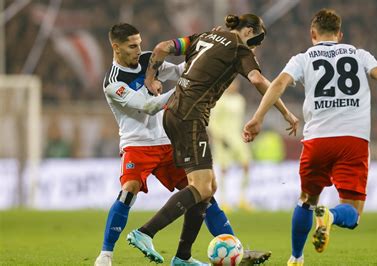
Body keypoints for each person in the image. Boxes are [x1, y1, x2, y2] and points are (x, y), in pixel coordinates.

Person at [242, 9, 377, 266]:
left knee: (306, 200)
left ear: (312, 34)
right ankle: (329, 216)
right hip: (353, 140)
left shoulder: (303, 58)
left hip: (317, 140)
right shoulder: (359, 55)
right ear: (340, 34)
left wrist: (258, 117)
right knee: (352, 214)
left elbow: (279, 84)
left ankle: (296, 257)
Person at [126, 14, 298, 265]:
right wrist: (285, 112)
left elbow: (163, 47)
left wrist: (151, 78)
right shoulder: (239, 48)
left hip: (174, 113)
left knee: (208, 188)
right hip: (190, 117)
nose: (257, 46)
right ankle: (145, 232)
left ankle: (183, 257)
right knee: (202, 187)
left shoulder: (202, 36)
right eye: (258, 40)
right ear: (249, 30)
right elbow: (259, 80)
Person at [94, 23, 267, 266]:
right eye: (132, 46)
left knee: (203, 192)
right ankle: (106, 255)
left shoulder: (147, 61)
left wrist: (209, 52)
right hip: (138, 144)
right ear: (116, 47)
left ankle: (226, 250)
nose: (139, 49)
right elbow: (148, 106)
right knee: (129, 189)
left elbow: (179, 71)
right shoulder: (113, 82)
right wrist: (186, 92)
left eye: (140, 43)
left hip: (168, 140)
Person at [208, 78, 253, 210]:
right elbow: (212, 122)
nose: (234, 86)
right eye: (231, 83)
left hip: (237, 138)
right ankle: (224, 201)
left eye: (235, 83)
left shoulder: (240, 100)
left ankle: (242, 199)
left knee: (246, 164)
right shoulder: (219, 100)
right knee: (223, 170)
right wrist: (219, 137)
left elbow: (239, 121)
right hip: (223, 139)